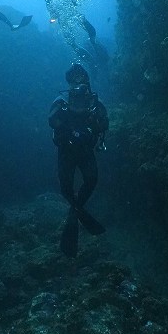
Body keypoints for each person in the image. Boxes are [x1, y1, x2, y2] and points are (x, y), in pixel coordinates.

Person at [48, 63, 109, 257]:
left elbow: (104, 123)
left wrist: (93, 128)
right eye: (74, 79)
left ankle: (74, 213)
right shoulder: (62, 99)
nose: (79, 82)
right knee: (66, 188)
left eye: (82, 77)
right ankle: (77, 210)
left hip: (84, 150)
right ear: (68, 81)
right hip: (66, 149)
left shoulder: (94, 102)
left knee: (91, 180)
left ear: (87, 80)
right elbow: (52, 120)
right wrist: (72, 132)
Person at [41, 0, 106, 65]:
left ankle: (94, 43)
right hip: (63, 18)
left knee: (89, 28)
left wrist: (75, 3)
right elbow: (50, 9)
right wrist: (53, 19)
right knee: (71, 42)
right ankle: (89, 60)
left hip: (73, 12)